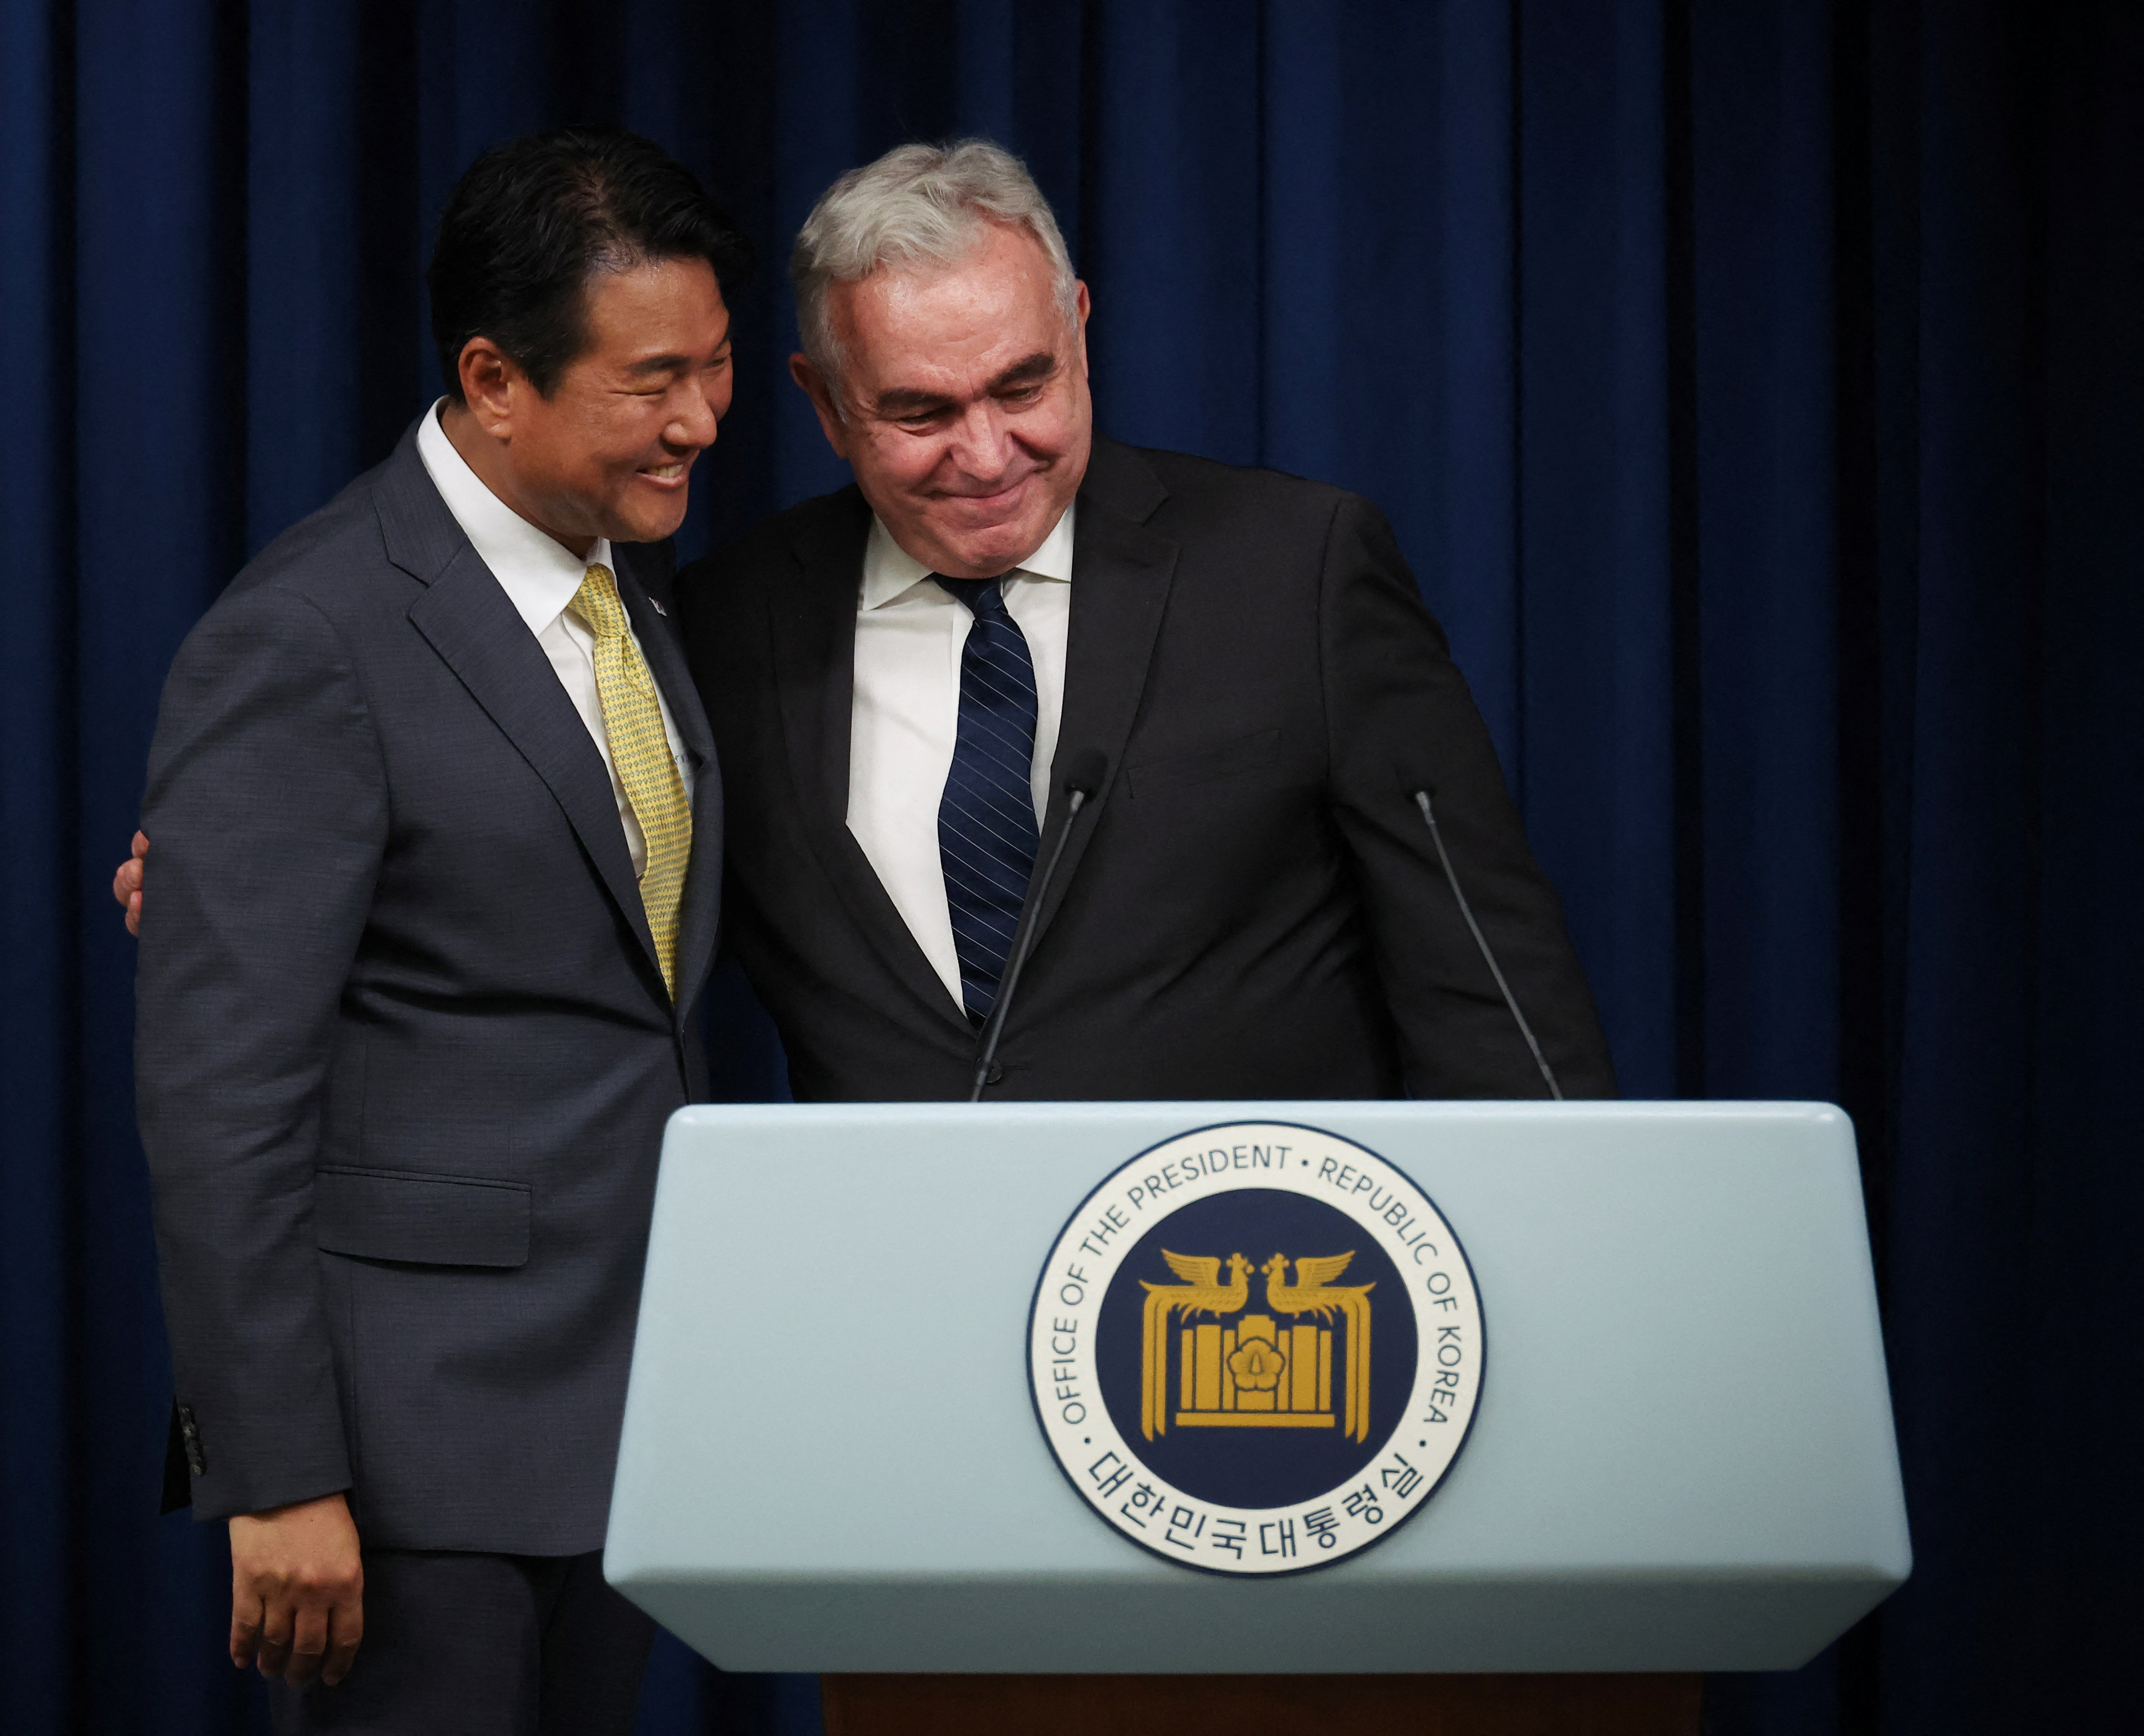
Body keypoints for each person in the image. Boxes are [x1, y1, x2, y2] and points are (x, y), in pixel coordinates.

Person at [129, 128, 743, 1734]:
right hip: (410, 1466)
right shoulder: (306, 635)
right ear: (492, 378)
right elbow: (222, 1100)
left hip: (615, 1429)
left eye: (722, 362)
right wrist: (278, 1476)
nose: (701, 419)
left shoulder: (636, 592)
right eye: (653, 379)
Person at [673, 140, 1614, 1100]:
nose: (989, 454)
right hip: (903, 1241)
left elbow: (1489, 981)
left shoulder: (1295, 572)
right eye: (923, 414)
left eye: (1022, 386)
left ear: (1078, 330)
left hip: (1234, 1241)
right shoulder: (729, 625)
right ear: (827, 405)